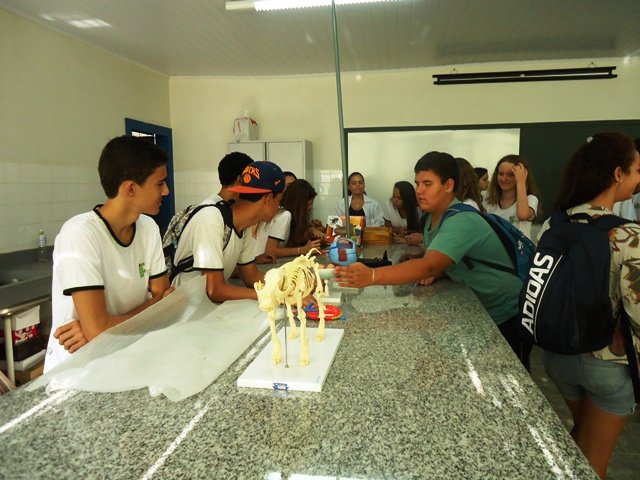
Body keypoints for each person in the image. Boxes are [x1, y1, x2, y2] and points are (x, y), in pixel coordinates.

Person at [334, 151, 530, 369]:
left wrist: (371, 275)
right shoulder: (430, 215)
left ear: (448, 185)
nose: (419, 190)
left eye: (427, 184)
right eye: (417, 183)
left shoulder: (462, 220)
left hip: (504, 314)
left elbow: (429, 266)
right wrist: (422, 259)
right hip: (473, 310)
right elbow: (439, 256)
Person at [540, 132, 640, 479]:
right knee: (594, 463)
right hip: (607, 364)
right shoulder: (629, 236)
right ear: (618, 174)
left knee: (580, 443)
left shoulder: (554, 224)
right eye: (636, 171)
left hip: (557, 354)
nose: (638, 179)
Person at [45, 136, 173, 372]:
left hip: (125, 355)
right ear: (130, 189)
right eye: (160, 184)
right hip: (78, 369)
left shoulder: (148, 228)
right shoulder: (80, 234)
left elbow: (166, 304)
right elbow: (99, 330)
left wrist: (101, 328)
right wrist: (101, 328)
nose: (166, 191)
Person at [171, 161, 284, 302]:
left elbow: (251, 276)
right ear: (269, 199)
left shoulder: (245, 226)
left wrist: (287, 285)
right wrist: (275, 296)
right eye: (279, 201)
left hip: (208, 307)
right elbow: (215, 290)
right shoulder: (211, 219)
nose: (278, 207)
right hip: (185, 307)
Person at [254, 179, 323, 260]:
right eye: (309, 204)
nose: (311, 208)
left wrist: (309, 231)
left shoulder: (288, 215)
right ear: (299, 204)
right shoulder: (284, 215)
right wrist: (302, 250)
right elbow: (270, 251)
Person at [483, 154, 540, 240]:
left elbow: (523, 215)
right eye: (501, 174)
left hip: (519, 248)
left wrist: (521, 182)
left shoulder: (531, 199)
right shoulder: (488, 201)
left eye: (511, 174)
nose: (504, 179)